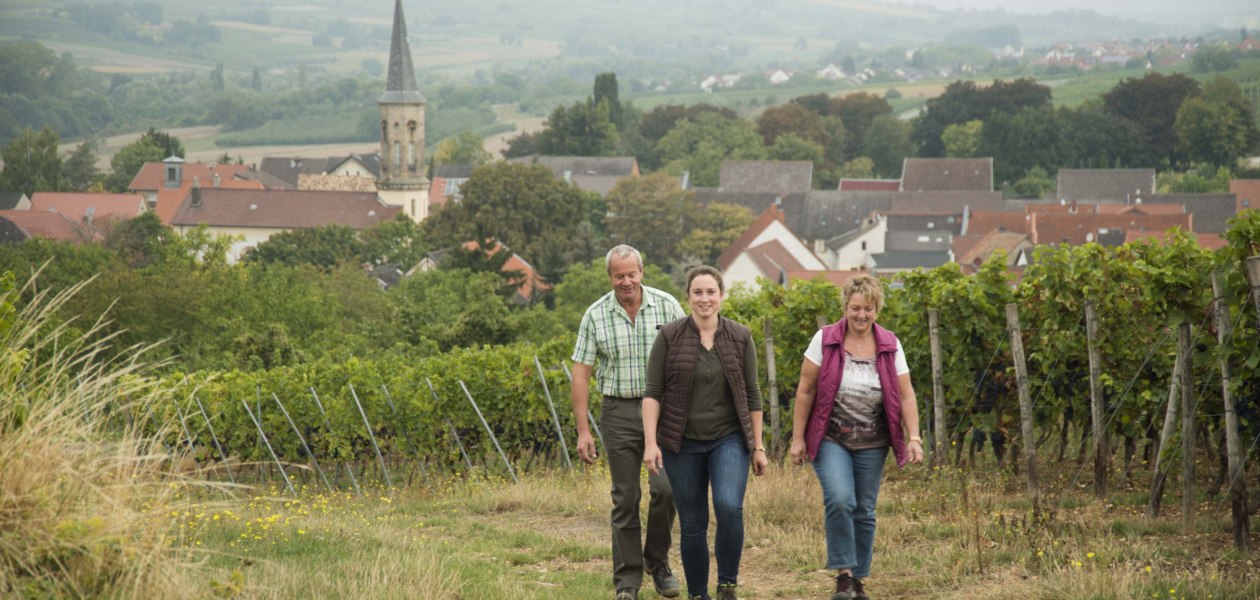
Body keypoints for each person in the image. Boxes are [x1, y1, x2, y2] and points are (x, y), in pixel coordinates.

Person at [789, 274, 923, 600]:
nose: (861, 315)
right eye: (855, 308)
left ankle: (858, 580)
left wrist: (914, 437)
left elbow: (906, 395)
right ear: (845, 307)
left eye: (868, 309)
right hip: (831, 437)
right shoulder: (825, 339)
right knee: (840, 499)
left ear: (877, 309)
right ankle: (843, 575)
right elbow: (805, 390)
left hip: (873, 441)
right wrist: (797, 438)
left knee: (864, 509)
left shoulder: (891, 344)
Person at [642, 266, 767, 600]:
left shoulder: (740, 336)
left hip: (728, 439)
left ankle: (727, 584)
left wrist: (757, 446)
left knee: (728, 506)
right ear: (688, 297)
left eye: (711, 292)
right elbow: (653, 392)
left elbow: (753, 395)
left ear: (721, 296)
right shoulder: (669, 336)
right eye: (698, 292)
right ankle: (699, 594)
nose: (705, 299)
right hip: (681, 443)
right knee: (693, 521)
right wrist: (652, 443)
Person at [572, 245, 684, 600]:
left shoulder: (667, 306)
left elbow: (689, 357)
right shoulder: (594, 315)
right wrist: (583, 431)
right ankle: (627, 581)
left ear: (642, 271)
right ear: (610, 277)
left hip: (663, 413)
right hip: (618, 413)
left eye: (631, 274)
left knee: (666, 490)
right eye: (618, 275)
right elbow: (581, 374)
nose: (626, 281)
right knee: (625, 497)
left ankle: (658, 561)